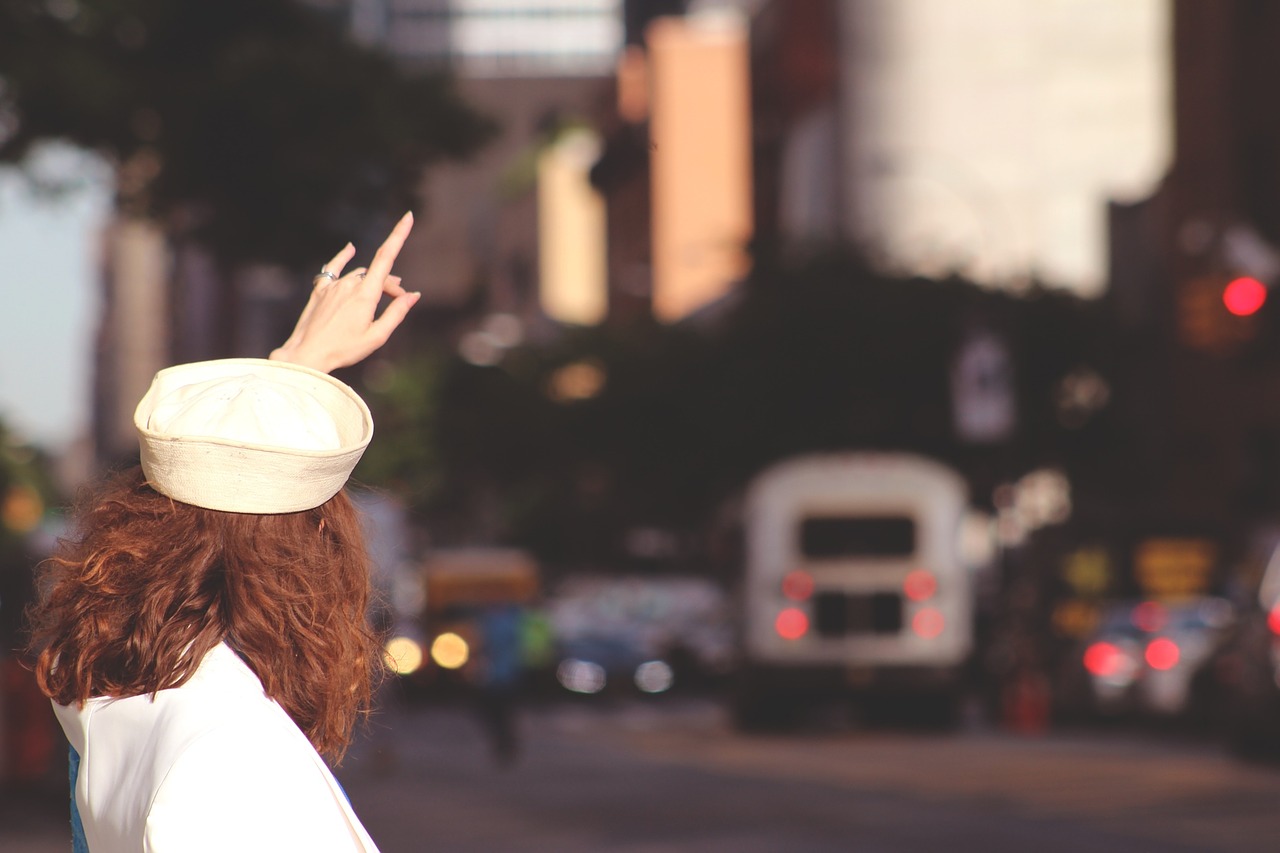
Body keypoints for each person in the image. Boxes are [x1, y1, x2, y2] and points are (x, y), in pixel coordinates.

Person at [25, 212, 421, 852]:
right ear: (307, 561)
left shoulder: (114, 698)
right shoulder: (232, 752)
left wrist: (296, 367)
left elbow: (219, 502)